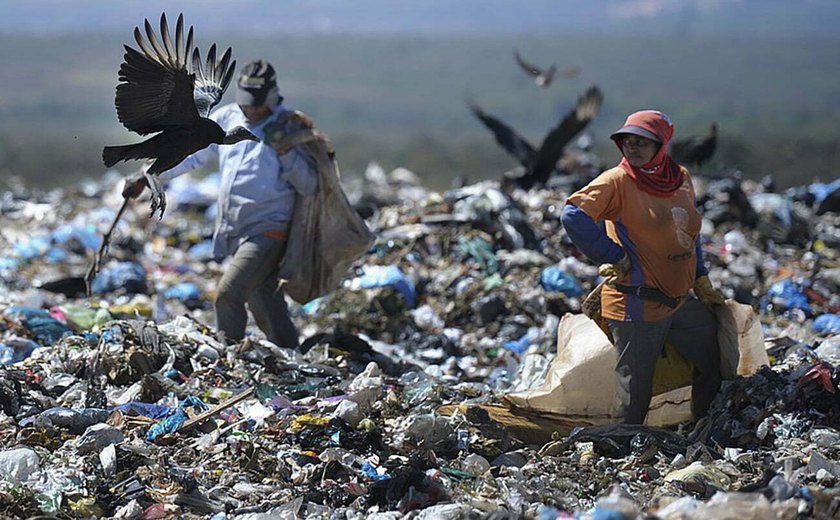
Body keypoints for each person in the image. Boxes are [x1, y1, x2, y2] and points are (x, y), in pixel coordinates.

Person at [123, 60, 315, 349]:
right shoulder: (225, 117)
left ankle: (227, 359)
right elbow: (192, 156)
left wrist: (286, 151)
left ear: (274, 95)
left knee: (229, 293)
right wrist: (146, 175)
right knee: (262, 295)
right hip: (237, 229)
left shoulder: (290, 127)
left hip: (270, 230)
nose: (251, 109)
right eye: (247, 102)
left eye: (258, 103)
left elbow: (310, 184)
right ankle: (291, 353)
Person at [560, 110, 725, 424]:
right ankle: (625, 459)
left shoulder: (680, 178)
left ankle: (703, 429)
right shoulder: (618, 181)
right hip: (637, 305)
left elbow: (690, 231)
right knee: (636, 394)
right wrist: (613, 255)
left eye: (642, 142)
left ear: (661, 145)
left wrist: (700, 275)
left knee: (713, 359)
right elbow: (573, 215)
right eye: (627, 142)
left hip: (679, 302)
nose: (632, 148)